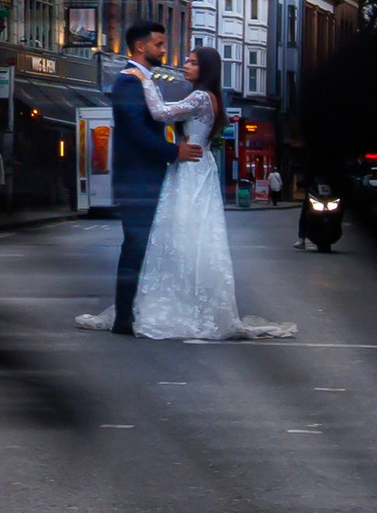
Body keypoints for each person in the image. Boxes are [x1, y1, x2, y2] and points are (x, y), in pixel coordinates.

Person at [124, 47, 295, 340]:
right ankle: (191, 300)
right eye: (188, 61)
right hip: (198, 165)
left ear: (206, 69)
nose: (186, 66)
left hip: (191, 170)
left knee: (182, 232)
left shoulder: (201, 97)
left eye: (192, 63)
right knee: (194, 234)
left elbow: (161, 112)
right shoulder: (207, 97)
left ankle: (183, 305)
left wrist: (145, 80)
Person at [78, 23, 190, 334]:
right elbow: (135, 132)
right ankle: (124, 317)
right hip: (136, 180)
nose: (164, 49)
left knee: (144, 246)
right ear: (140, 47)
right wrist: (173, 151)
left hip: (148, 177)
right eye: (159, 44)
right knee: (135, 245)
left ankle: (136, 310)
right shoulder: (128, 83)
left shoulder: (144, 80)